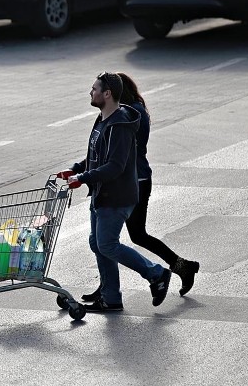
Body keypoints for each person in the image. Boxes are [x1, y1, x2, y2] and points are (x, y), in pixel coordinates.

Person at [57, 72, 172, 312]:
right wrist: (75, 169)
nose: (91, 92)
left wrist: (83, 178)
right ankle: (110, 297)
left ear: (107, 94)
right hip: (101, 194)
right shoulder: (103, 120)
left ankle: (157, 274)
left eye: (95, 89)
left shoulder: (119, 125)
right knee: (97, 242)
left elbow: (115, 166)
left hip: (116, 195)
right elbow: (95, 156)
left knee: (107, 244)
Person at [82, 73, 199, 303]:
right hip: (127, 180)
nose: (94, 92)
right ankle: (109, 288)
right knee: (114, 239)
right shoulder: (119, 114)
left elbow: (117, 159)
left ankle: (174, 269)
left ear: (112, 93)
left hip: (135, 181)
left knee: (120, 239)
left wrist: (88, 174)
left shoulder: (127, 117)